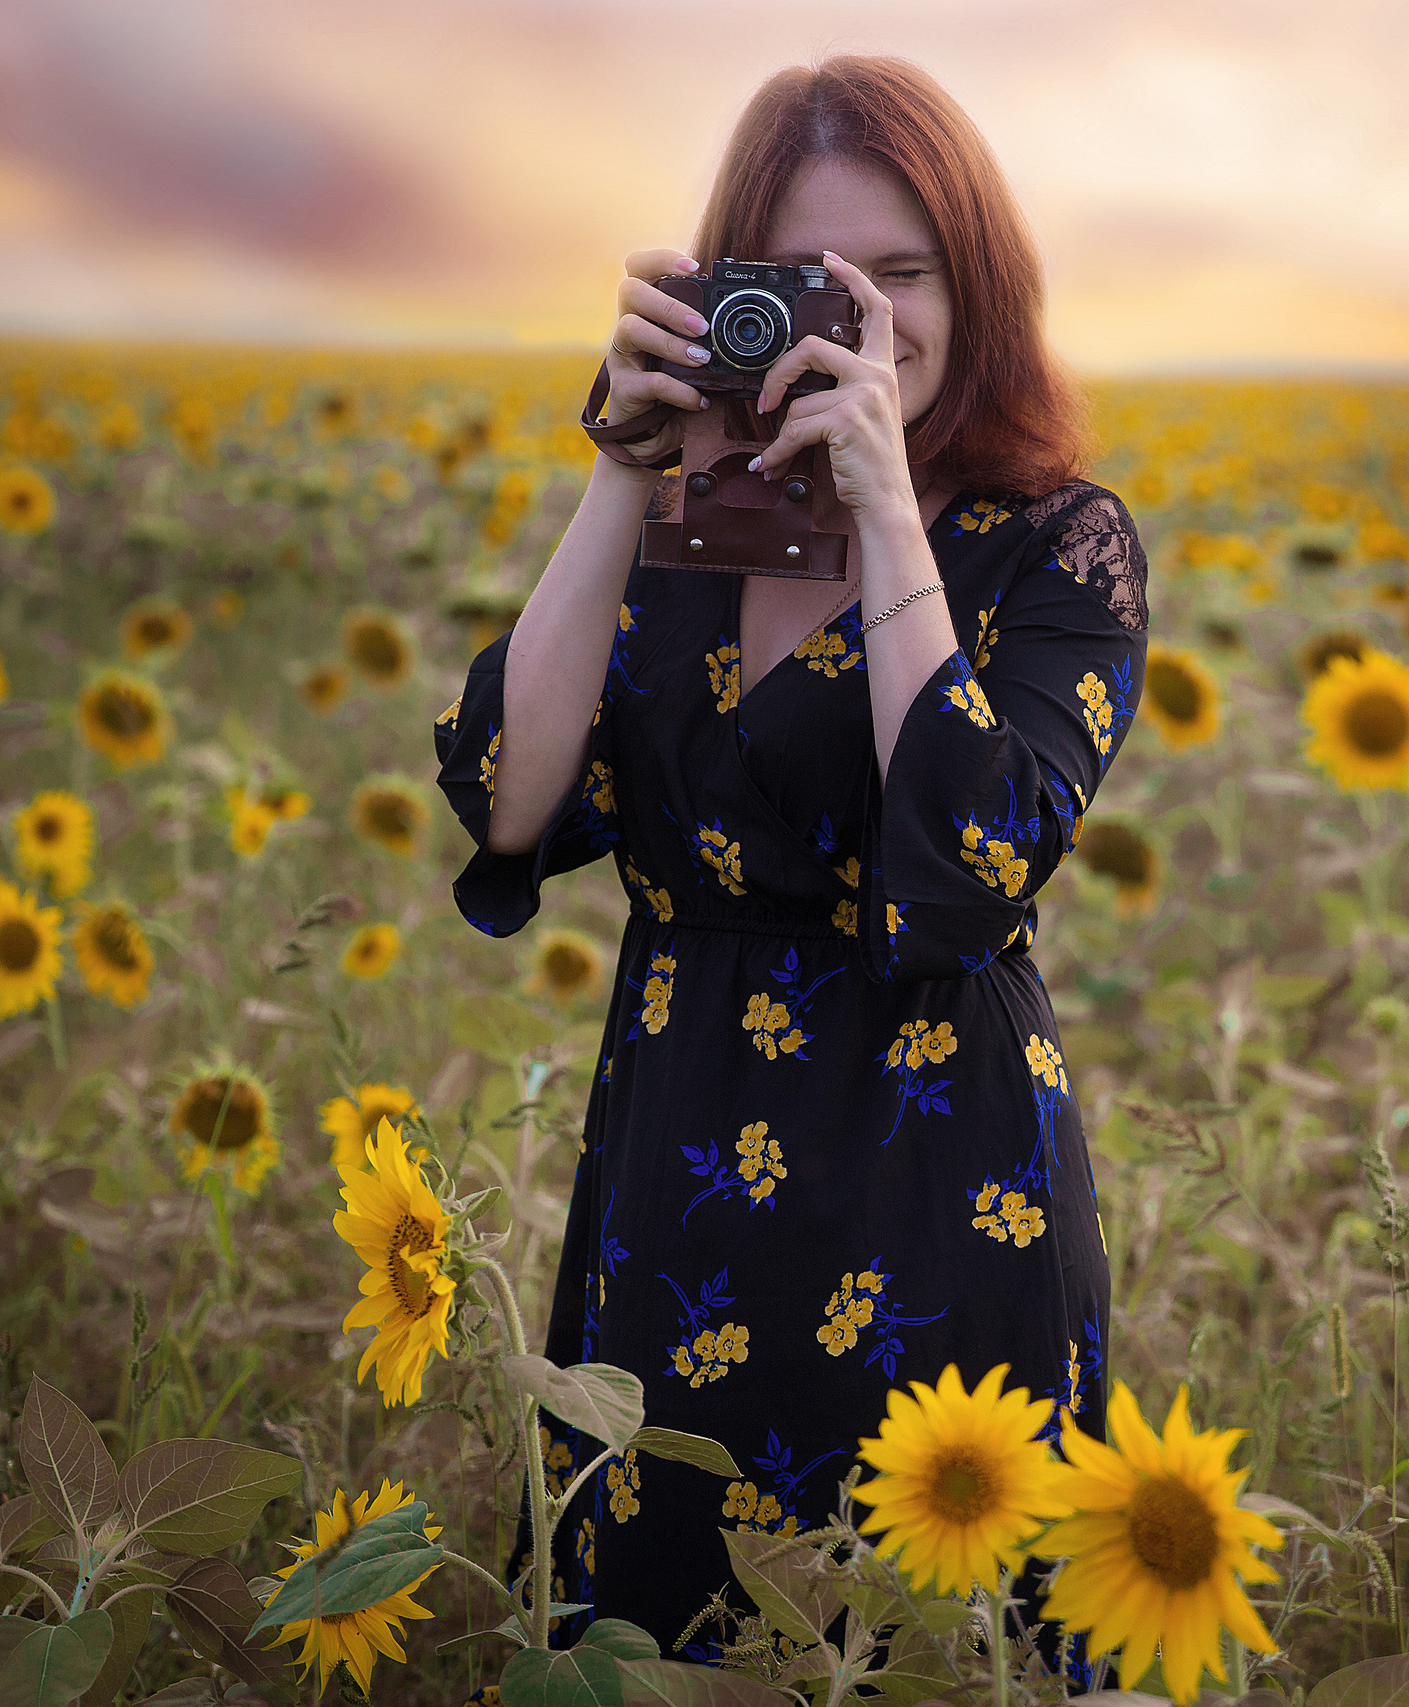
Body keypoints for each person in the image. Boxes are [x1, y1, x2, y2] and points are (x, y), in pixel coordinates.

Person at [431, 55, 1147, 1655]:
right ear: (729, 286)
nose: (866, 324)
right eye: (819, 282)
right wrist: (626, 461)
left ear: (980, 284)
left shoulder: (1055, 541)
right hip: (676, 1180)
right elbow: (506, 798)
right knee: (656, 1635)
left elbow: (975, 857)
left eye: (905, 276)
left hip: (944, 1186)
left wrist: (890, 511)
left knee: (947, 1648)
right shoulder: (684, 522)